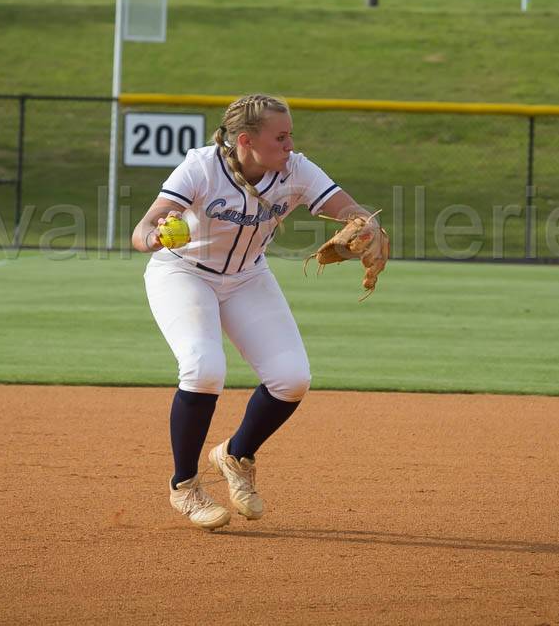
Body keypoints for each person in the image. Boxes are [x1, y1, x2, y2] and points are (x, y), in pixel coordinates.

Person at [132, 94, 383, 530]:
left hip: (248, 278)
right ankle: (185, 486)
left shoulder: (296, 170)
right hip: (184, 273)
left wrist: (366, 226)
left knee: (291, 379)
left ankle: (235, 454)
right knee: (203, 367)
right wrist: (153, 237)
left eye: (290, 136)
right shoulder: (201, 168)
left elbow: (352, 210)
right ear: (246, 140)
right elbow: (142, 229)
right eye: (280, 137)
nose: (289, 145)